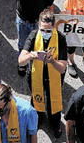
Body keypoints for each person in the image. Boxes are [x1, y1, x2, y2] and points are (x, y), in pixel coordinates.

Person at [18, 9, 67, 137]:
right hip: (35, 76)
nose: (45, 33)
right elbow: (20, 61)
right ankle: (38, 118)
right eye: (43, 30)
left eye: (48, 31)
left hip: (54, 77)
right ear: (39, 26)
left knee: (54, 102)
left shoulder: (60, 39)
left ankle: (55, 123)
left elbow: (62, 68)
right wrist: (30, 55)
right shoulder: (34, 35)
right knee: (36, 99)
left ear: (54, 28)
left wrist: (53, 62)